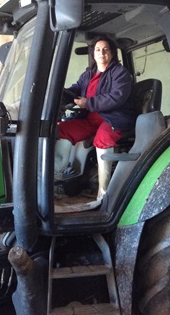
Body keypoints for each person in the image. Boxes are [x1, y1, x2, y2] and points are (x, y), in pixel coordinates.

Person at [54, 36, 137, 211]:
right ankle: (57, 181)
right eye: (98, 50)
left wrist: (89, 103)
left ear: (112, 53)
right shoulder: (88, 75)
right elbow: (76, 89)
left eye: (106, 49)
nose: (101, 53)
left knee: (102, 138)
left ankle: (103, 193)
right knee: (61, 130)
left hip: (114, 117)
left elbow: (116, 97)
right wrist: (61, 95)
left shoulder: (119, 73)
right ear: (93, 53)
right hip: (91, 119)